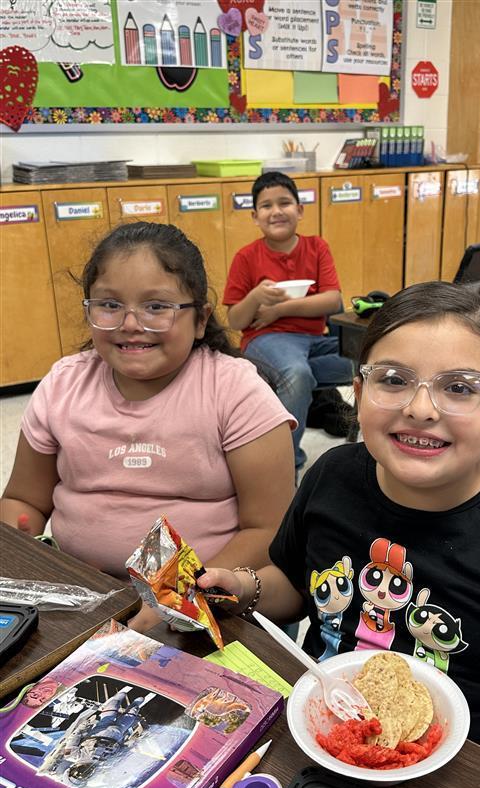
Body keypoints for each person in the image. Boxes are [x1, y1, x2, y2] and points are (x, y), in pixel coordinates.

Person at [196, 282, 480, 788]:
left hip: (466, 780)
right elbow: (296, 586)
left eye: (460, 388)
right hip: (322, 744)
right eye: (393, 380)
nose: (421, 409)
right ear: (359, 393)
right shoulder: (332, 478)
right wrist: (245, 587)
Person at [0, 222, 295, 631]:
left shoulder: (235, 391)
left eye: (156, 307)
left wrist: (174, 597)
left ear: (199, 320)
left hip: (206, 605)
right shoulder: (64, 385)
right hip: (82, 599)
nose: (130, 323)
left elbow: (270, 529)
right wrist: (26, 554)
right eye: (110, 304)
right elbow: (24, 501)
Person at [223, 171, 353, 474]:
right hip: (266, 340)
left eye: (284, 203)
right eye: (266, 206)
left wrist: (279, 310)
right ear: (255, 216)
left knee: (368, 360)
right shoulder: (246, 257)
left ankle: (299, 386)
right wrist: (255, 296)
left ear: (300, 209)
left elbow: (332, 300)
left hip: (315, 340)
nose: (276, 211)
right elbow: (236, 319)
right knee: (296, 374)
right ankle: (285, 465)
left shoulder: (317, 247)